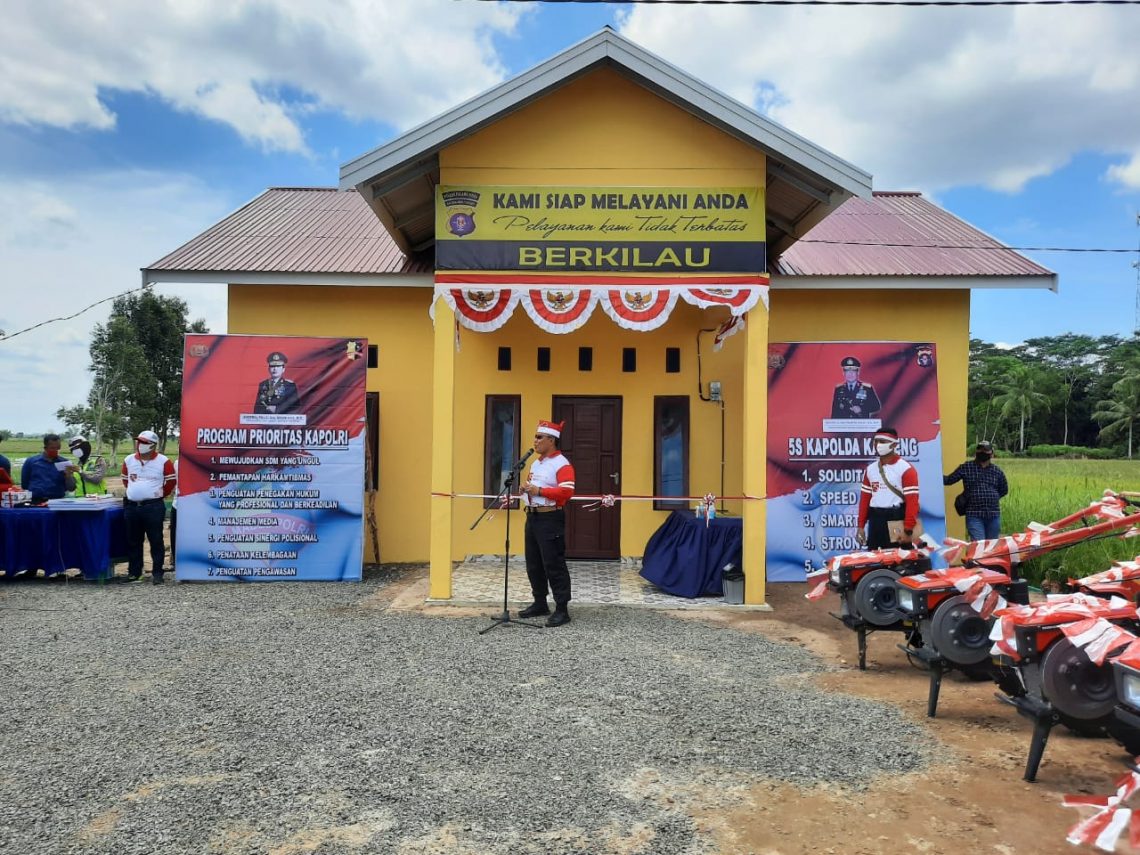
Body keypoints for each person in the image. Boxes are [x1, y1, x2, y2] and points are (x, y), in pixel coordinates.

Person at [518, 419, 576, 627]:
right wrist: (526, 490)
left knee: (554, 563)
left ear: (551, 440)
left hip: (550, 517)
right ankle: (540, 602)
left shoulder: (562, 464)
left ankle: (562, 609)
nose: (535, 441)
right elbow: (534, 486)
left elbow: (567, 491)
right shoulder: (536, 463)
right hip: (532, 516)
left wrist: (540, 491)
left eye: (539, 437)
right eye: (536, 437)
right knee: (533, 562)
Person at [120, 430, 176, 584]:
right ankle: (135, 573)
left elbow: (170, 483)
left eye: (144, 443)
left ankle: (157, 573)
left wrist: (156, 494)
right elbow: (126, 481)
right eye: (139, 442)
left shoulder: (164, 461)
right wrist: (136, 493)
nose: (140, 445)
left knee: (156, 540)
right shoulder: (129, 460)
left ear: (153, 445)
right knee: (133, 541)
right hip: (132, 507)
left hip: (153, 506)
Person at [856, 427, 920, 549]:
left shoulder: (906, 469)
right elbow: (865, 500)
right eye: (876, 441)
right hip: (875, 520)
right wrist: (860, 526)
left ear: (894, 444)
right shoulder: (870, 470)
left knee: (897, 559)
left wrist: (908, 530)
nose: (878, 445)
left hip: (895, 519)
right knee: (875, 558)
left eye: (883, 441)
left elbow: (912, 501)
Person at [944, 440, 1008, 541]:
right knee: (978, 547)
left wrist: (992, 497)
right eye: (980, 450)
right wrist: (933, 473)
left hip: (993, 515)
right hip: (974, 515)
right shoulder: (966, 467)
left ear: (991, 454)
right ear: (976, 452)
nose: (983, 453)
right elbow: (948, 480)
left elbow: (1004, 490)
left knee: (992, 547)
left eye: (985, 451)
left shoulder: (997, 471)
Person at [21, 433, 77, 503]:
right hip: (35, 501)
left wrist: (68, 476)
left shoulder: (65, 463)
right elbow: (24, 484)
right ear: (45, 448)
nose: (56, 450)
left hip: (57, 501)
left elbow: (71, 488)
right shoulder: (31, 462)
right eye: (53, 448)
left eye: (58, 448)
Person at [831, 356, 882, 420]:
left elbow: (876, 406)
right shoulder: (838, 389)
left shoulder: (867, 388)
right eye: (847, 371)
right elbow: (835, 411)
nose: (850, 374)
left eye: (853, 371)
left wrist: (861, 409)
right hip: (844, 427)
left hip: (861, 426)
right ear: (844, 373)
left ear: (858, 373)